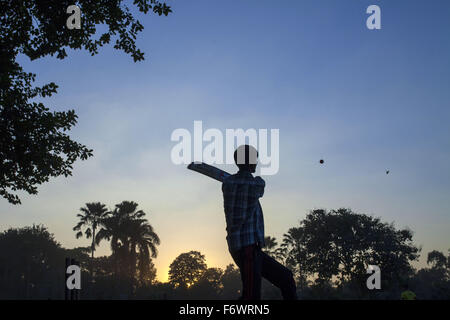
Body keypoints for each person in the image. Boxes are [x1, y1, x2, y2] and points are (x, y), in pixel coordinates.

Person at [222, 145, 297, 300]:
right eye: (255, 160)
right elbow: (259, 184)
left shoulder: (228, 184)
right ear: (249, 162)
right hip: (246, 249)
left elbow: (242, 183)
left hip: (250, 249)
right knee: (251, 298)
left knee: (286, 278)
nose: (257, 162)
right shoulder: (255, 184)